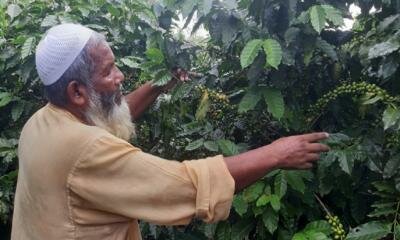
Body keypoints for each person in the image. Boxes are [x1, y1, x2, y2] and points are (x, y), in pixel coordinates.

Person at [11, 23, 329, 240]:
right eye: (108, 71)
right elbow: (185, 187)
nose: (120, 76)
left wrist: (156, 87)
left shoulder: (42, 122)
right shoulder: (84, 149)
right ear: (77, 92)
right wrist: (276, 153)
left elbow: (107, 118)